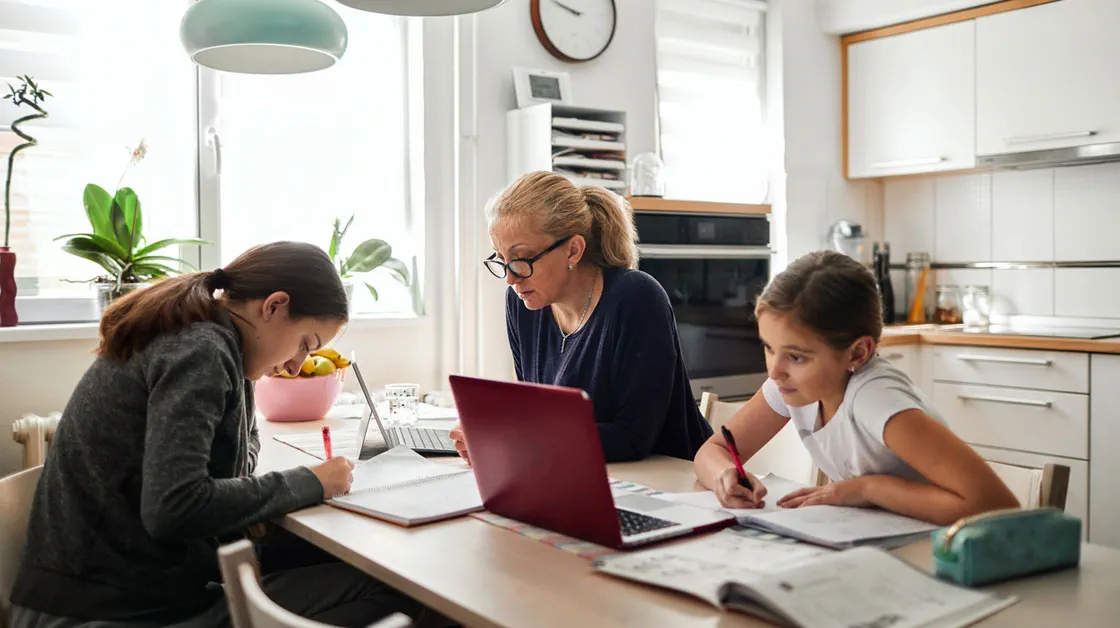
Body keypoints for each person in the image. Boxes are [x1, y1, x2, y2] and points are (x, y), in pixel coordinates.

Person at [9, 242, 426, 627]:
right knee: (404, 595)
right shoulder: (201, 350)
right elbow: (174, 507)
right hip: (105, 612)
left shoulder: (212, 341)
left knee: (331, 563)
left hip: (110, 590)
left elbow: (223, 476)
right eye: (305, 343)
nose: (298, 366)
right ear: (275, 306)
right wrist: (310, 482)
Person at [693, 250, 1019, 525]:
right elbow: (712, 451)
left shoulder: (875, 399)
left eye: (796, 356)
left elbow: (996, 506)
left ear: (858, 352)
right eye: (768, 347)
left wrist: (866, 489)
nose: (775, 371)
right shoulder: (792, 384)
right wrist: (725, 475)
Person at [449, 171, 712, 464]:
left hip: (674, 482)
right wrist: (492, 433)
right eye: (502, 259)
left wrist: (518, 437)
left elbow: (633, 438)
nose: (510, 278)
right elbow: (536, 414)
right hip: (580, 473)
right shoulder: (523, 302)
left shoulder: (637, 298)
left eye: (521, 260)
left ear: (573, 250)